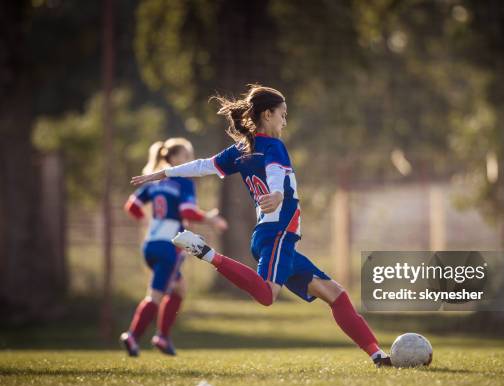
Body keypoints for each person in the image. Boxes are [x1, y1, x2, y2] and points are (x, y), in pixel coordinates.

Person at [130, 86, 392, 366]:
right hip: (278, 232)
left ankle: (378, 356)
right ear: (267, 114)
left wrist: (164, 172)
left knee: (336, 295)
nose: (284, 121)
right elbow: (275, 174)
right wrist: (278, 195)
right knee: (267, 295)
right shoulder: (272, 146)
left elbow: (203, 165)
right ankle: (206, 252)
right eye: (282, 114)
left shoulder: (241, 150)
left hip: (277, 237)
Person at [121, 138, 227, 357]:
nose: (189, 162)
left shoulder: (154, 181)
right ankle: (133, 336)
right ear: (175, 159)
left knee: (179, 289)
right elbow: (187, 212)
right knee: (155, 296)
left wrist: (145, 222)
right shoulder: (183, 181)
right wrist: (210, 218)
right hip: (168, 247)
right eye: (187, 157)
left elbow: (132, 206)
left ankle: (162, 336)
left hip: (150, 244)